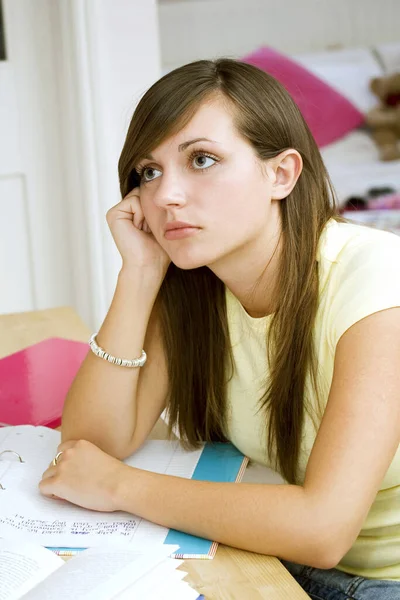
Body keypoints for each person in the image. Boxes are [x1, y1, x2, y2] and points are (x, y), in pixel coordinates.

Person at [39, 58, 400, 599]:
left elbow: (323, 530)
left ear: (280, 174)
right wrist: (138, 274)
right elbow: (92, 445)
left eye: (202, 159)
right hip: (270, 556)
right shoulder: (198, 282)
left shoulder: (376, 282)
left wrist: (118, 486)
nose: (164, 197)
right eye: (149, 172)